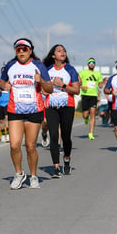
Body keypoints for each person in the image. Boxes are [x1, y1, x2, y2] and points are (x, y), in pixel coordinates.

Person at [0, 38, 53, 189]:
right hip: (15, 110)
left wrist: (41, 80)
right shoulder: (11, 65)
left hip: (34, 111)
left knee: (30, 146)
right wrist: (5, 85)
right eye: (18, 49)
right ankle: (19, 173)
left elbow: (50, 89)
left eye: (24, 49)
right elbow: (1, 83)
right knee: (14, 145)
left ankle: (33, 176)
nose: (21, 52)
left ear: (30, 50)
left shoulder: (38, 65)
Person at [43, 44, 80, 178]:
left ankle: (67, 159)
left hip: (67, 106)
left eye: (64, 50)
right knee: (54, 136)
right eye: (59, 51)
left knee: (66, 137)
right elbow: (43, 88)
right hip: (51, 106)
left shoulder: (70, 70)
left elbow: (76, 90)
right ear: (53, 56)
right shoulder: (47, 70)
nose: (62, 52)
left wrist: (62, 85)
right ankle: (56, 167)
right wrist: (44, 89)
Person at [79, 57, 103, 140]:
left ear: (95, 64)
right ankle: (86, 118)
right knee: (85, 115)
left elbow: (100, 83)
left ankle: (91, 133)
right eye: (90, 62)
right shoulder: (83, 73)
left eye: (93, 63)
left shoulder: (98, 74)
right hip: (85, 95)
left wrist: (101, 85)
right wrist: (82, 86)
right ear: (88, 64)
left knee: (93, 113)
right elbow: (78, 82)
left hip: (93, 95)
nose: (92, 64)